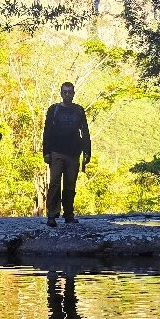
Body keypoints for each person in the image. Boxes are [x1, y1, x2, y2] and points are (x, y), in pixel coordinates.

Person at [41, 81, 91, 227]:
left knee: (70, 186)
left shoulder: (79, 111)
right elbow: (47, 131)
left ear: (74, 93)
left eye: (70, 92)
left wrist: (87, 152)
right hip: (56, 152)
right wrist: (46, 152)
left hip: (73, 154)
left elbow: (85, 132)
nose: (68, 94)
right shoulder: (54, 110)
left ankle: (69, 214)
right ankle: (52, 215)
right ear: (61, 93)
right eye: (65, 92)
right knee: (55, 184)